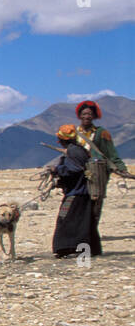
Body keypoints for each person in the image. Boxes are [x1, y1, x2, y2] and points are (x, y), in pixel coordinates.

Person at [49, 101, 129, 257]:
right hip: (79, 181)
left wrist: (122, 170)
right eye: (84, 114)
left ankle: (80, 247)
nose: (87, 116)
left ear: (95, 116)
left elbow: (111, 154)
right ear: (79, 116)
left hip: (96, 176)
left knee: (91, 210)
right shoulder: (75, 132)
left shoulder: (101, 133)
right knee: (86, 212)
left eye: (90, 114)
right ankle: (90, 247)